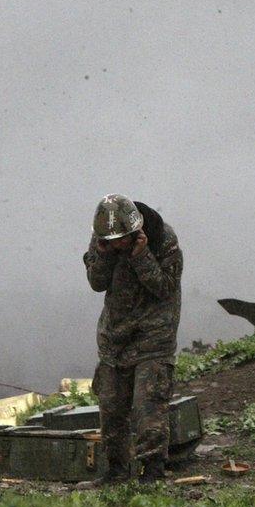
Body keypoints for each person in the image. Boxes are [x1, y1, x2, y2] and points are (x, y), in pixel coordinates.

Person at [78, 194, 182, 487]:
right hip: (116, 337)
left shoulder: (164, 240)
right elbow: (97, 283)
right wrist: (104, 255)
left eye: (122, 240)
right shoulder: (103, 240)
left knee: (148, 408)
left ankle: (152, 473)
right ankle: (115, 472)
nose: (117, 245)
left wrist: (141, 257)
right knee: (111, 408)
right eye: (112, 240)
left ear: (135, 232)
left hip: (153, 338)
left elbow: (165, 288)